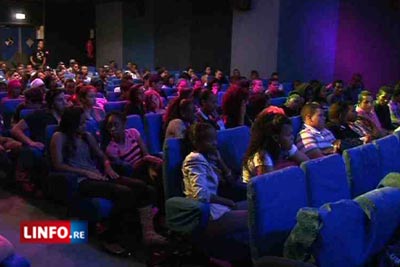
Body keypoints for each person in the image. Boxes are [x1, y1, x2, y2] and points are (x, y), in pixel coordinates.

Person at [50, 107, 167, 254]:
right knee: (123, 192)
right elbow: (58, 165)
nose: (84, 125)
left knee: (144, 188)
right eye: (81, 123)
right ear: (72, 123)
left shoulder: (86, 136)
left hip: (98, 175)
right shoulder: (59, 136)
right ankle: (110, 236)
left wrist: (107, 166)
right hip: (80, 180)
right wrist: (86, 172)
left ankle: (148, 233)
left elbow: (101, 155)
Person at [182, 123, 248, 237]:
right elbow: (200, 195)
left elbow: (232, 182)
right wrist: (227, 202)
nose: (215, 144)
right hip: (207, 212)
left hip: (218, 207)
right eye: (209, 141)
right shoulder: (194, 159)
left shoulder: (209, 157)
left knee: (259, 205)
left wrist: (220, 160)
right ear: (196, 143)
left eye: (215, 139)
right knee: (255, 217)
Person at [105, 111, 164, 210]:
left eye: (116, 125)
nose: (112, 129)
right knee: (155, 173)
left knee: (160, 167)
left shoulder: (133, 132)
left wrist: (153, 162)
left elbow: (146, 153)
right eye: (109, 126)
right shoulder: (111, 148)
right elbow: (126, 169)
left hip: (145, 164)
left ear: (124, 124)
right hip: (133, 172)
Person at [242, 107, 308, 183]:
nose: (292, 137)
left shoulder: (287, 146)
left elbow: (307, 163)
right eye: (288, 135)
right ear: (276, 138)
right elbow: (270, 185)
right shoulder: (262, 157)